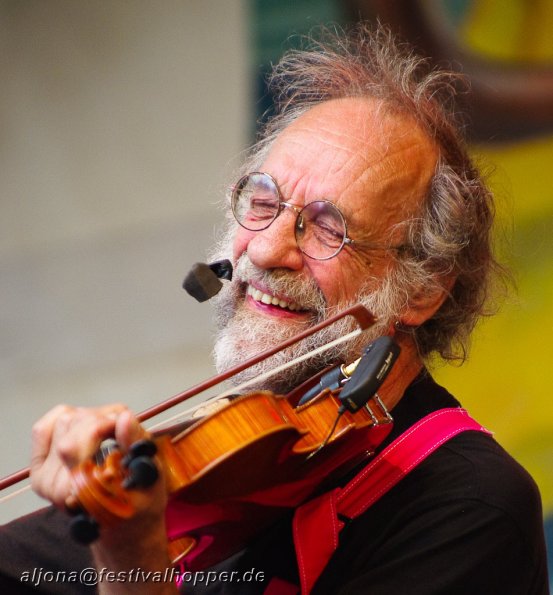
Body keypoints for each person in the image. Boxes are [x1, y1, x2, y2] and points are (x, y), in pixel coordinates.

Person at [0, 23, 549, 595]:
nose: (264, 248)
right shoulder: (225, 459)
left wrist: (129, 555)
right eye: (262, 202)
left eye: (327, 229)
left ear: (422, 291)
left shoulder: (472, 507)